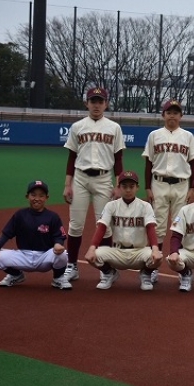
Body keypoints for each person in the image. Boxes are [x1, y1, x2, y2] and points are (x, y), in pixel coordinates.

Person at [62, 87, 126, 282]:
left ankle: (106, 268)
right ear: (86, 103)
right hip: (80, 178)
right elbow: (71, 157)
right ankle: (72, 265)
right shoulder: (78, 126)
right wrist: (67, 185)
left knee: (104, 224)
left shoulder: (114, 127)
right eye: (93, 101)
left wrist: (118, 185)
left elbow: (118, 159)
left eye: (100, 101)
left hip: (104, 178)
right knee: (75, 225)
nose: (96, 105)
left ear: (106, 104)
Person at [143, 99, 194, 284]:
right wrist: (147, 187)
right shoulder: (154, 135)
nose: (172, 116)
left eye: (176, 113)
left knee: (180, 227)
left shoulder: (188, 136)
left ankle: (181, 267)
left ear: (181, 116)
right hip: (158, 183)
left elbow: (193, 163)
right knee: (158, 227)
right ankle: (154, 266)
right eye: (169, 112)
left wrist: (193, 187)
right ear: (163, 115)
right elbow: (148, 163)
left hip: (181, 185)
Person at [84, 171, 162, 291]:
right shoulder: (111, 206)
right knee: (94, 255)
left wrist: (155, 249)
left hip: (139, 252)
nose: (128, 190)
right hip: (117, 252)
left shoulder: (145, 206)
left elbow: (150, 228)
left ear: (137, 188)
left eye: (131, 186)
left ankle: (146, 274)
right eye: (124, 186)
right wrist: (92, 248)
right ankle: (109, 273)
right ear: (119, 187)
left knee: (157, 256)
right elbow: (102, 227)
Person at [0, 180, 71, 290]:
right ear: (27, 196)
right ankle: (16, 275)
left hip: (44, 257)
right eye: (33, 195)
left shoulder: (52, 217)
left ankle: (58, 278)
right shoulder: (20, 215)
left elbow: (59, 235)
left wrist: (58, 244)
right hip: (23, 256)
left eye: (41, 196)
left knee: (63, 254)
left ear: (47, 198)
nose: (37, 198)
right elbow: (6, 233)